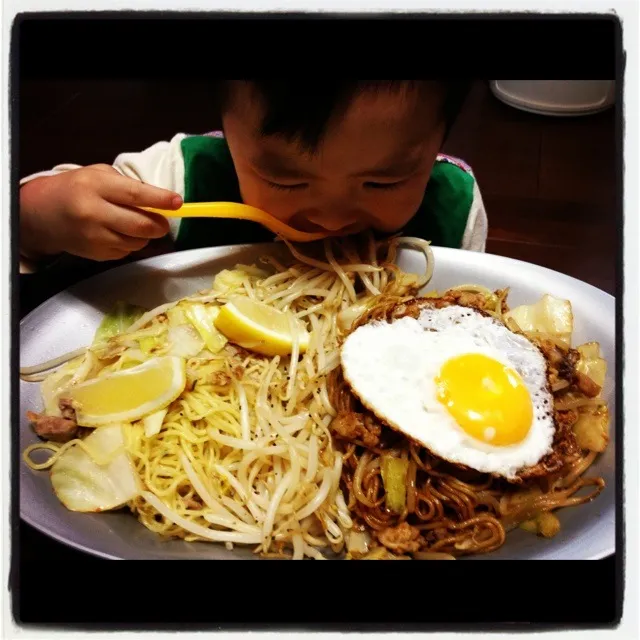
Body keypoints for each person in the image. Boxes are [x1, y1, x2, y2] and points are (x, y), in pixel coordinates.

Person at [18, 80, 488, 273]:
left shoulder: (453, 210)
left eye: (383, 182)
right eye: (286, 180)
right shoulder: (180, 178)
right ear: (226, 130)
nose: (328, 217)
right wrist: (45, 215)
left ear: (440, 140)